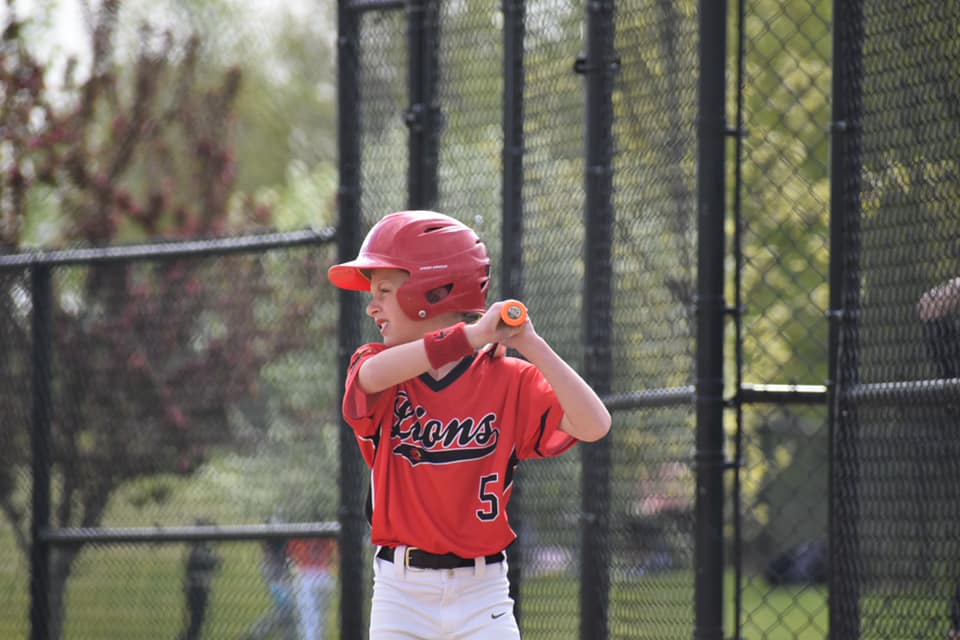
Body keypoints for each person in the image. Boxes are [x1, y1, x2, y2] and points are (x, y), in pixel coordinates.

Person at [327, 210, 611, 639]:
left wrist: (530, 343)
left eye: (385, 290)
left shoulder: (508, 378)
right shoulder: (376, 366)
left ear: (433, 290)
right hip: (400, 594)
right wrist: (474, 335)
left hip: (483, 595)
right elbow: (369, 380)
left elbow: (595, 424)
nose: (372, 305)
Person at [244, 537, 298, 640]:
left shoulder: (285, 536)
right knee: (286, 609)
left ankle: (289, 637)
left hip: (282, 570)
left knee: (288, 612)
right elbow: (267, 549)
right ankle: (254, 635)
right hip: (274, 571)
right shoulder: (273, 534)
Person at [178, 520, 221, 640]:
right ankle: (189, 637)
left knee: (198, 619)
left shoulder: (200, 549)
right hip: (197, 589)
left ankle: (191, 637)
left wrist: (214, 560)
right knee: (197, 619)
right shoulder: (198, 550)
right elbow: (206, 561)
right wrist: (215, 560)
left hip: (198, 588)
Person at [287, 537, 337, 640]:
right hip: (325, 575)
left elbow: (291, 554)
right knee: (321, 620)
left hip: (307, 576)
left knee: (309, 619)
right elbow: (334, 551)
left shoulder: (299, 532)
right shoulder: (326, 530)